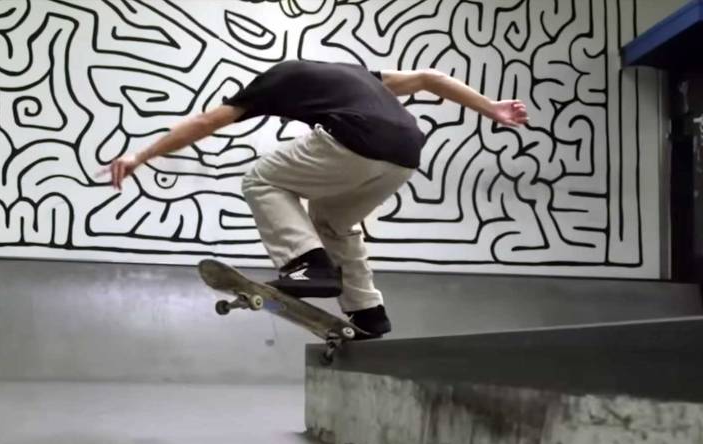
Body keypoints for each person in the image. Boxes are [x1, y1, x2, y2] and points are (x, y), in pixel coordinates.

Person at [105, 60, 528, 337]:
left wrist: (141, 155)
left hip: (353, 139)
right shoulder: (360, 76)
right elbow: (428, 78)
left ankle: (308, 266)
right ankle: (367, 311)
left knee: (260, 180)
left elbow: (205, 122)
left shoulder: (277, 79)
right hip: (405, 156)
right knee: (332, 221)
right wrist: (490, 108)